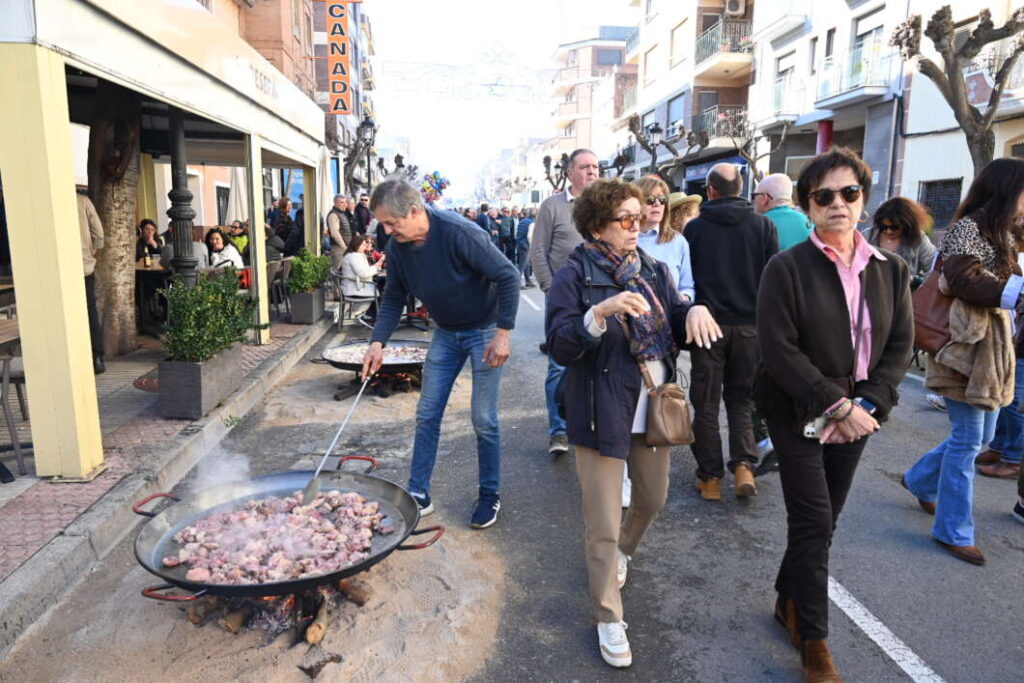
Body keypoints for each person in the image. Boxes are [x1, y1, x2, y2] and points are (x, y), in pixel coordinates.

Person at [547, 178, 721, 669]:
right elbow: (560, 345)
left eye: (640, 213)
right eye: (626, 217)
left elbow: (677, 310)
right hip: (601, 408)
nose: (639, 222)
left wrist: (696, 308)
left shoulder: (653, 268)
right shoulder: (574, 275)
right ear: (597, 225)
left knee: (653, 499)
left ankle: (624, 551)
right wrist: (597, 313)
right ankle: (608, 616)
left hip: (654, 403)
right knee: (601, 523)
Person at [756, 146, 912, 681]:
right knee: (814, 518)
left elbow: (898, 346)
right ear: (807, 207)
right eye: (824, 196)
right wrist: (836, 404)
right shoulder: (786, 267)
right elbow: (778, 349)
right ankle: (815, 642)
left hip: (859, 410)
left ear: (863, 202)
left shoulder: (891, 269)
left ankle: (787, 600)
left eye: (849, 193)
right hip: (798, 406)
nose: (838, 204)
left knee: (824, 520)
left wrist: (869, 403)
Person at [361, 179, 519, 529]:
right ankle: (419, 493)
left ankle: (489, 495)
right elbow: (393, 297)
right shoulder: (399, 244)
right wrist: (377, 342)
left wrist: (502, 334)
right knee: (427, 412)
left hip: (484, 332)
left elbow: (509, 275)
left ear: (415, 212)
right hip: (445, 333)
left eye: (392, 223)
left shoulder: (460, 233)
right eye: (383, 224)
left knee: (484, 420)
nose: (386, 231)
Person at [902, 157, 1024, 566]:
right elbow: (963, 279)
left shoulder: (1004, 231)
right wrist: (1016, 292)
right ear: (1008, 191)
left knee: (979, 436)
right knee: (969, 441)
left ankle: (919, 480)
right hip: (962, 346)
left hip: (991, 349)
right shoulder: (968, 227)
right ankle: (953, 529)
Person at [685, 163, 779, 500]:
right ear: (741, 188)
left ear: (709, 191)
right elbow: (774, 282)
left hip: (706, 327)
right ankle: (743, 466)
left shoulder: (694, 230)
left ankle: (709, 478)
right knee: (740, 400)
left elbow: (687, 280)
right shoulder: (763, 226)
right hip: (751, 328)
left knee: (706, 404)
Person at [530, 148, 600, 456]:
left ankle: (592, 426)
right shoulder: (553, 206)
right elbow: (538, 251)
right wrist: (550, 288)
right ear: (570, 173)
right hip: (566, 301)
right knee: (559, 366)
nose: (592, 172)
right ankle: (558, 431)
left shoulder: (606, 204)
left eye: (596, 167)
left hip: (601, 299)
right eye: (585, 167)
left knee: (601, 366)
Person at [633, 176, 695, 301]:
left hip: (670, 317)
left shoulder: (678, 241)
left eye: (662, 199)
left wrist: (684, 298)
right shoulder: (622, 239)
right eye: (650, 199)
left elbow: (688, 287)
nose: (657, 204)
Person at [863, 196, 937, 288]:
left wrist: (914, 280)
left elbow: (934, 271)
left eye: (894, 227)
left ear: (907, 225)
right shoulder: (867, 236)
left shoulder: (919, 240)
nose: (888, 231)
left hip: (906, 296)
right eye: (883, 227)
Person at [78, 191, 105, 374]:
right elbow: (99, 235)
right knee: (90, 312)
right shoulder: (83, 201)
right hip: (83, 267)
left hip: (56, 270)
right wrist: (90, 253)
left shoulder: (46, 200)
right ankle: (96, 357)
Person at [752, 173, 812, 250]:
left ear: (764, 198)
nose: (754, 201)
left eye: (755, 196)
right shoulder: (811, 224)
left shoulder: (755, 226)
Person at [341, 234, 384, 321]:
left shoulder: (355, 255)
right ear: (357, 245)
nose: (366, 246)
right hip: (356, 288)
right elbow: (363, 274)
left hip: (357, 285)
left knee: (381, 286)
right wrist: (376, 266)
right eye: (364, 244)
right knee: (382, 288)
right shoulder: (354, 257)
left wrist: (375, 266)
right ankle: (372, 316)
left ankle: (369, 314)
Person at [327, 194, 354, 270]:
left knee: (345, 271)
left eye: (345, 202)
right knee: (338, 272)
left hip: (344, 248)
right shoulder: (333, 214)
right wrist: (344, 246)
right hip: (338, 249)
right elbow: (334, 233)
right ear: (335, 203)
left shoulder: (342, 214)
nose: (344, 204)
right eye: (341, 202)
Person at [516, 208, 535, 288]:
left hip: (520, 243)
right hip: (526, 245)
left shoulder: (523, 221)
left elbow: (517, 233)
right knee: (522, 265)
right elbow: (529, 236)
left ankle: (528, 281)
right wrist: (532, 245)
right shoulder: (532, 223)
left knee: (526, 264)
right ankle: (517, 283)